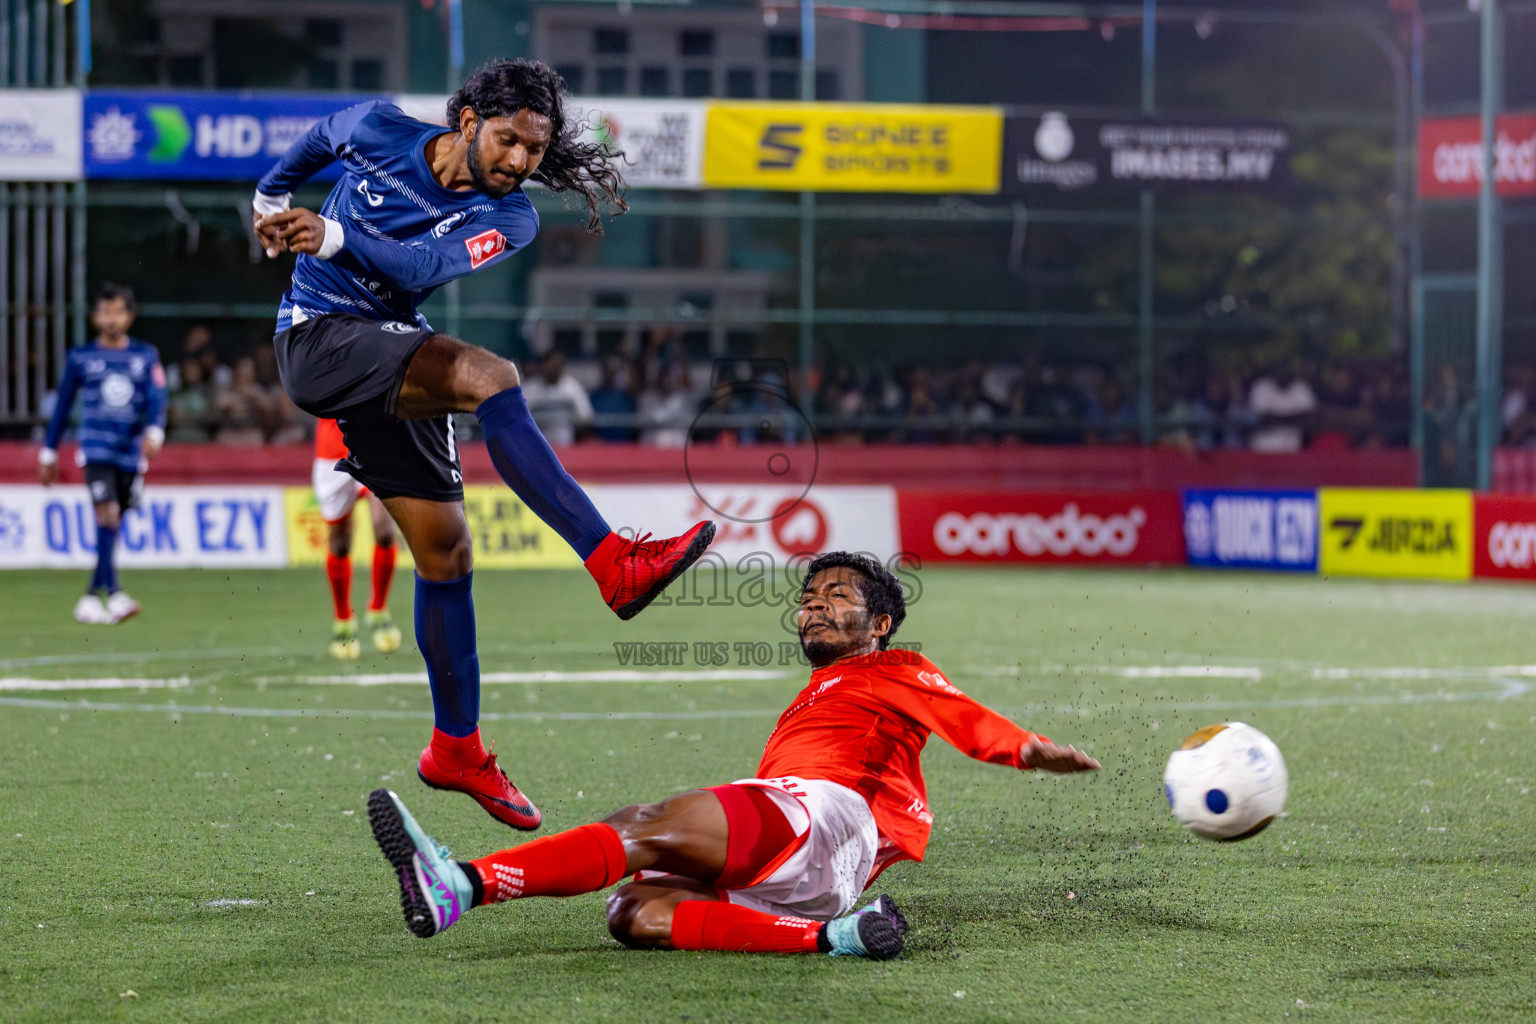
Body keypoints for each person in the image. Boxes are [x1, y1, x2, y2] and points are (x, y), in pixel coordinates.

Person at [250, 58, 715, 833]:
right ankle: (612, 562)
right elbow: (322, 136)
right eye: (507, 141)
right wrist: (269, 195)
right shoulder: (379, 129)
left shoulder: (514, 217)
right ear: (466, 120)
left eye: (534, 150)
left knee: (446, 553)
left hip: (392, 345)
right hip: (320, 339)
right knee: (491, 376)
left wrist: (331, 233)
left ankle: (455, 747)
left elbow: (424, 265)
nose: (519, 163)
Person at [368, 552, 1101, 958]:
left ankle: (463, 885)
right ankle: (834, 938)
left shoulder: (893, 667)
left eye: (836, 596)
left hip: (826, 816)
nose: (812, 605)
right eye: (809, 597)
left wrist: (1026, 750)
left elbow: (963, 718)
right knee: (632, 911)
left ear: (880, 623)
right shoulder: (825, 689)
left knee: (645, 824)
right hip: (820, 858)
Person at [37, 283, 167, 625]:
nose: (112, 319)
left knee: (113, 521)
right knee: (107, 514)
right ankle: (118, 594)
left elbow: (157, 399)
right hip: (96, 448)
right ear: (95, 318)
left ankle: (92, 597)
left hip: (129, 451)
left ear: (130, 315)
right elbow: (63, 406)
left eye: (118, 311)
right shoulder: (81, 357)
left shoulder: (145, 355)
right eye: (105, 312)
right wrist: (49, 452)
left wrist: (155, 431)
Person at [313, 417, 402, 659]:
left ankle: (378, 609)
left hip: (374, 445)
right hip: (332, 451)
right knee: (340, 545)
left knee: (384, 531)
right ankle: (343, 619)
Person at [520, 349, 592, 446]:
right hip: (536, 447)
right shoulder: (530, 389)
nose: (554, 368)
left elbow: (586, 416)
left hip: (567, 447)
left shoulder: (572, 388)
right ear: (543, 365)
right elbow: (520, 419)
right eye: (551, 364)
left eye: (558, 365)